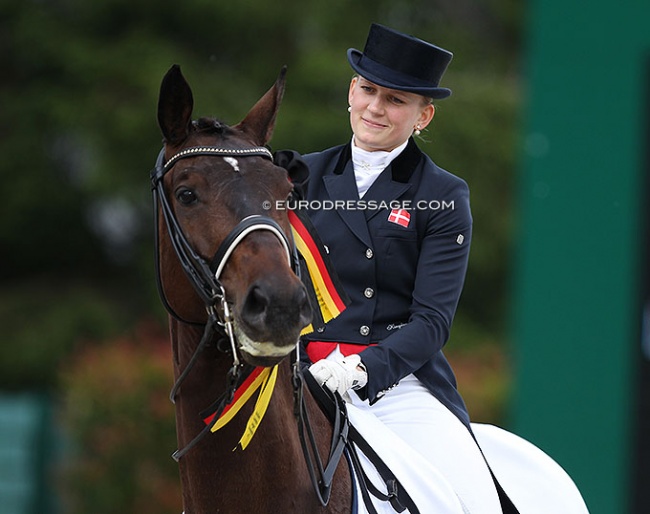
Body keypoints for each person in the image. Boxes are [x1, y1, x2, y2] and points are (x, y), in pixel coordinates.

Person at [299, 23, 506, 513]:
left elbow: (432, 321)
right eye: (368, 90)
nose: (374, 107)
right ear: (352, 90)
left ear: (423, 115)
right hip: (299, 369)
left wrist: (364, 370)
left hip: (393, 381)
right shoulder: (299, 176)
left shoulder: (443, 194)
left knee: (468, 496)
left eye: (394, 100)